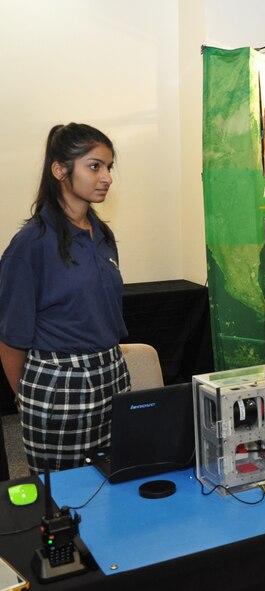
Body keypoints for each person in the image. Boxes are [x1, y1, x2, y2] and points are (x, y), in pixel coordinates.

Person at [0, 123, 130, 473]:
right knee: (63, 499)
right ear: (60, 170)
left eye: (109, 167)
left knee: (117, 482)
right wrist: (29, 398)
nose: (106, 177)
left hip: (112, 375)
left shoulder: (103, 235)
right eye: (94, 166)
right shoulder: (29, 246)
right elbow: (11, 341)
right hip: (57, 386)